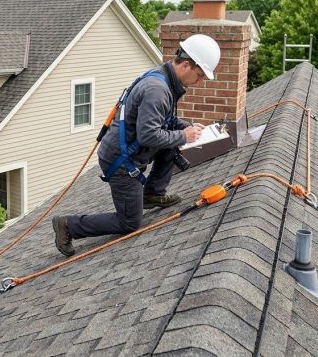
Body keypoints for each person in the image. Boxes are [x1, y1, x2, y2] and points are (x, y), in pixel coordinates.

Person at [52, 34, 221, 256]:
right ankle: (68, 225)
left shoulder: (163, 78)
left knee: (175, 139)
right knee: (130, 222)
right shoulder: (157, 90)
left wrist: (185, 127)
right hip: (121, 162)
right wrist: (183, 136)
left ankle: (152, 193)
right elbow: (149, 135)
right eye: (199, 76)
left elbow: (160, 121)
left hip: (130, 149)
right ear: (186, 65)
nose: (199, 82)